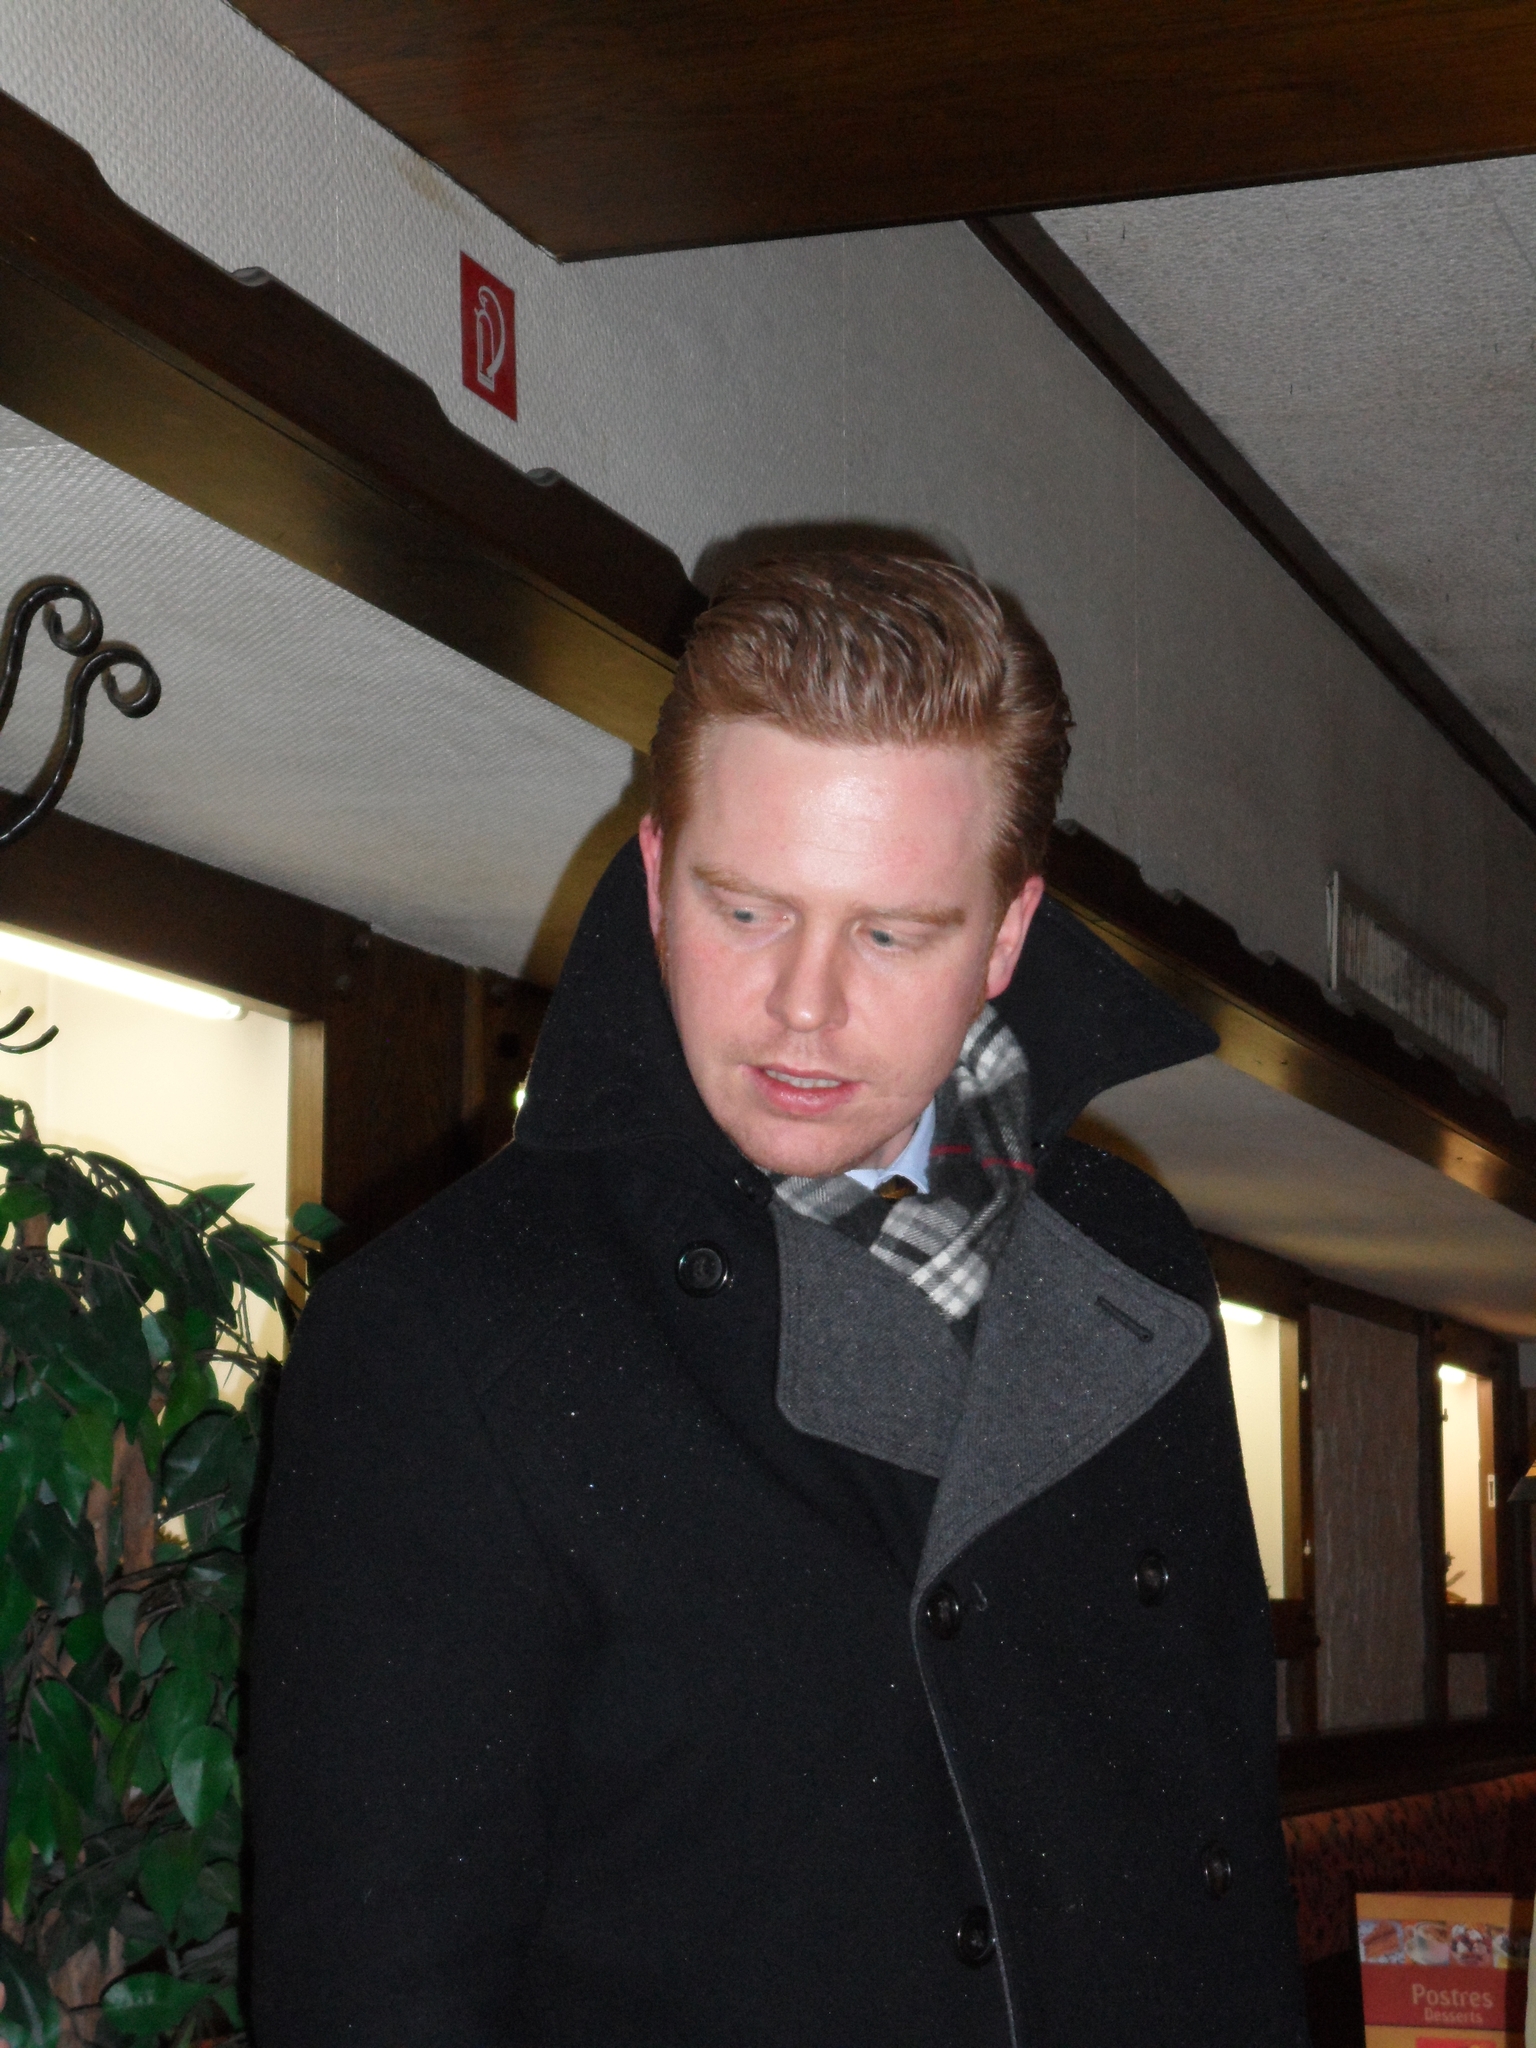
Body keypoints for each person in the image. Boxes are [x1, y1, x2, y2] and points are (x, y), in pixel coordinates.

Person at [250, 554, 1309, 2046]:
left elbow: (1220, 1837)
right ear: (656, 878)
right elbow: (375, 1997)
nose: (804, 1007)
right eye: (746, 911)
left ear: (1007, 937)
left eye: (892, 933)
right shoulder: (445, 1333)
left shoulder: (1134, 1256)